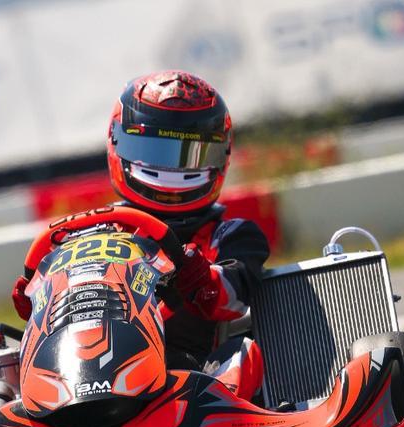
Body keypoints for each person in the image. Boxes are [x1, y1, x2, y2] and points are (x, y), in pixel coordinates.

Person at [14, 71, 269, 398]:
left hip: (185, 377)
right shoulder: (92, 234)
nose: (173, 169)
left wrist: (203, 280)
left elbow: (236, 297)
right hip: (84, 372)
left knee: (238, 360)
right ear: (119, 143)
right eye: (156, 152)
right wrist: (41, 298)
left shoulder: (231, 234)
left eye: (190, 155)